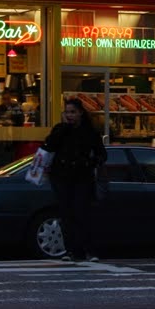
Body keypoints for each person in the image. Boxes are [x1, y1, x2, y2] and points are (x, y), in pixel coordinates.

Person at [41, 98, 106, 262]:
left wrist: (90, 162)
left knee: (81, 213)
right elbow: (49, 146)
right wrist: (61, 130)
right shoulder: (61, 130)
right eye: (67, 112)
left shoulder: (90, 132)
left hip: (82, 177)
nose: (69, 116)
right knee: (66, 214)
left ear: (80, 113)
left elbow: (101, 154)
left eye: (73, 112)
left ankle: (89, 250)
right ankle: (71, 251)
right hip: (61, 177)